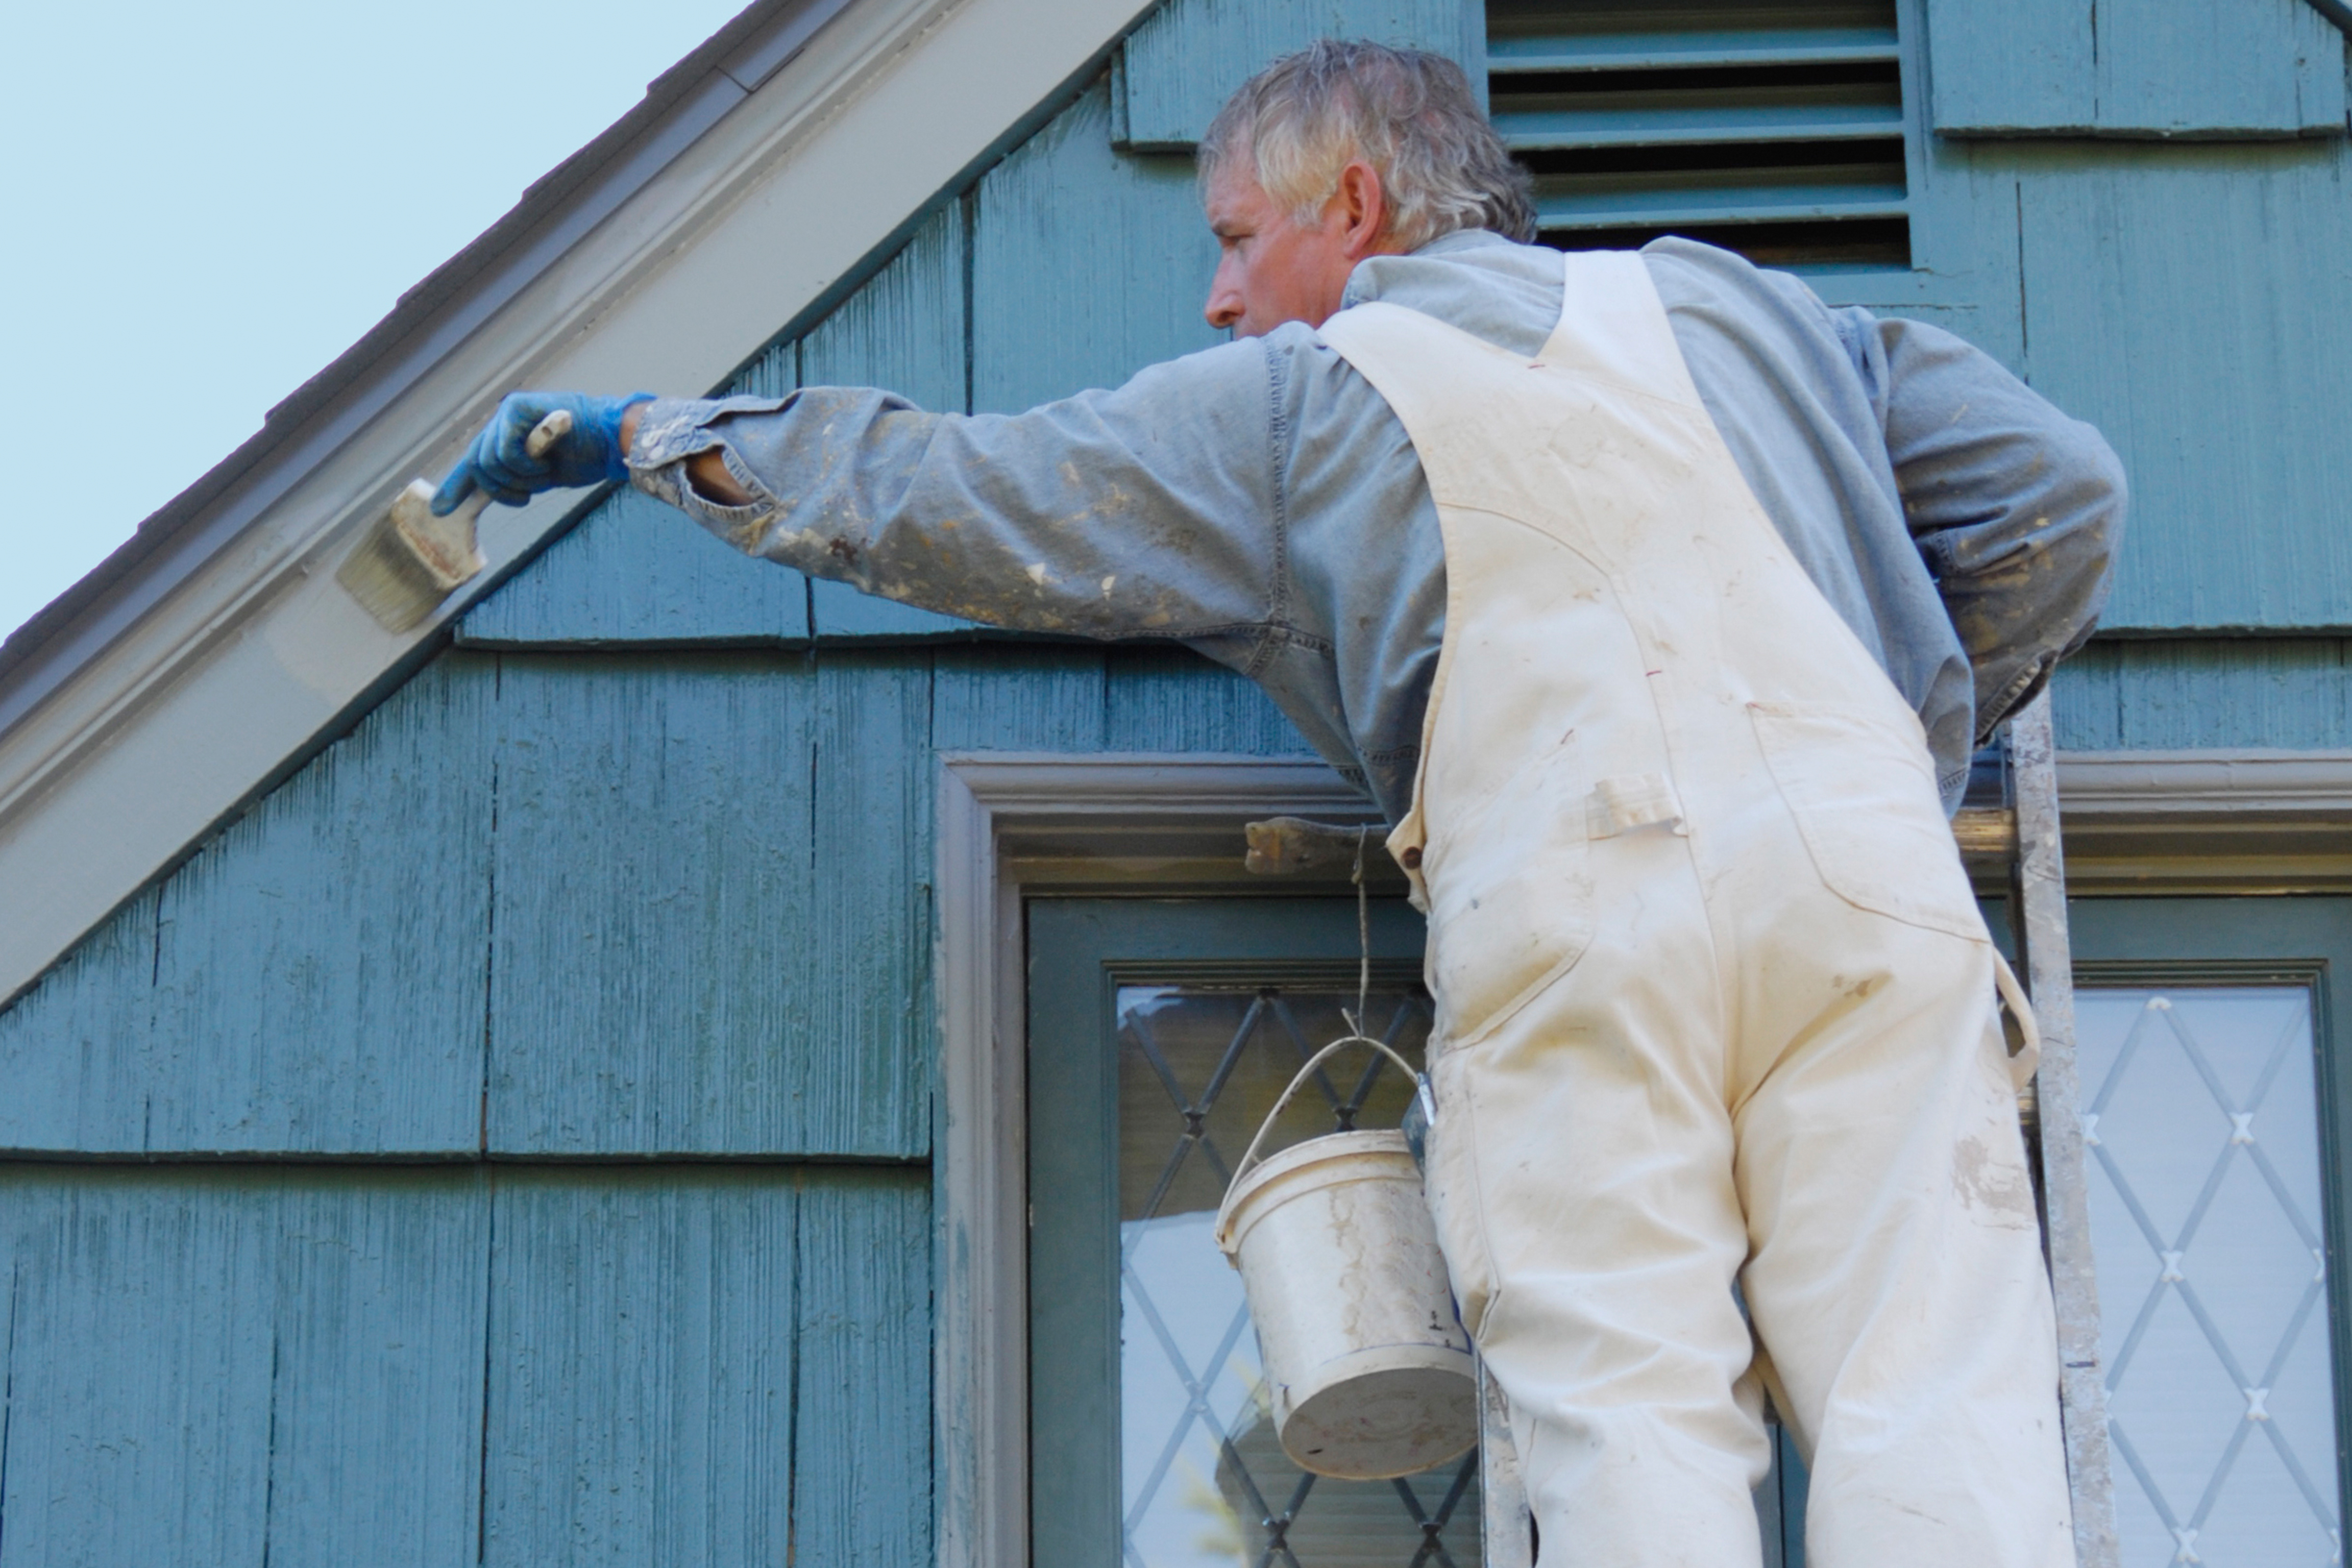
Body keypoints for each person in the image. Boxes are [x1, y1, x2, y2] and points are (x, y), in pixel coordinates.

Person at [437, 41, 2122, 1567]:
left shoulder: (1298, 405)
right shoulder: (1751, 315)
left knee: (1629, 1417)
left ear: (1359, 208)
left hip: (1576, 906)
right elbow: (2061, 494)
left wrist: (658, 436)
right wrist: (1889, 732)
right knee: (1935, 1389)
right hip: (1866, 887)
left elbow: (960, 492)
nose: (1222, 299)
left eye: (1240, 240)